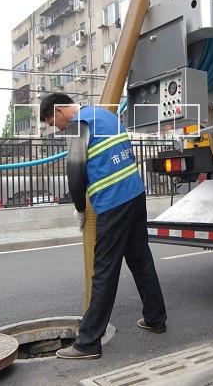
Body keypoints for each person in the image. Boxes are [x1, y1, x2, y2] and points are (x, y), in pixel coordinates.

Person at [41, 93, 166, 360]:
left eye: (54, 121)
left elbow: (75, 171)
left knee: (104, 271)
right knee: (140, 259)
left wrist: (79, 208)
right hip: (135, 194)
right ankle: (156, 318)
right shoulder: (106, 115)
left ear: (60, 109)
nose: (58, 128)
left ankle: (87, 344)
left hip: (113, 202)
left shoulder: (79, 125)